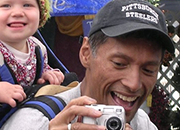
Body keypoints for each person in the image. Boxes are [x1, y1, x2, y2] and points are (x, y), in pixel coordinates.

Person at [1, 0, 175, 129]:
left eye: (149, 70)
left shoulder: (142, 123)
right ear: (85, 53)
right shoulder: (37, 122)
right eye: (119, 63)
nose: (133, 84)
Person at [0, 0, 64, 109]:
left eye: (27, 5)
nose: (17, 13)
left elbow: (41, 71)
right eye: (6, 6)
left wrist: (47, 74)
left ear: (41, 14)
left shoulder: (38, 48)